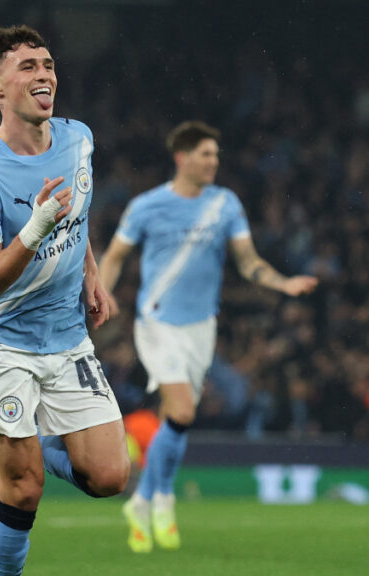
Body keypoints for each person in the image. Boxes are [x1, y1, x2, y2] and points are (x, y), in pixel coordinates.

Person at [0, 26, 129, 575]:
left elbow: (81, 209)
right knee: (23, 489)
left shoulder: (79, 138)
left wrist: (89, 271)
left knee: (110, 478)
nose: (44, 74)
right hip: (1, 339)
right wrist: (36, 226)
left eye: (48, 65)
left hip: (66, 337)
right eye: (28, 67)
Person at [98, 120, 318, 553]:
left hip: (202, 326)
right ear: (182, 158)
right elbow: (117, 255)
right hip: (158, 321)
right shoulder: (148, 206)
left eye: (216, 155)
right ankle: (160, 497)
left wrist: (282, 283)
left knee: (178, 419)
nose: (214, 161)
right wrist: (103, 291)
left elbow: (248, 261)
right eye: (206, 154)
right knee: (180, 410)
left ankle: (145, 500)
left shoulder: (226, 204)